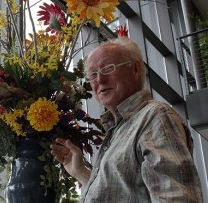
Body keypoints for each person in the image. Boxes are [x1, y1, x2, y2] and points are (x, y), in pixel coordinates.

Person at [50, 37, 203, 202]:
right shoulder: (120, 128)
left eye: (108, 68)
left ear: (135, 69)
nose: (100, 80)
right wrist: (80, 172)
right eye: (93, 74)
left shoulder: (155, 117)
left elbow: (176, 199)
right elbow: (121, 194)